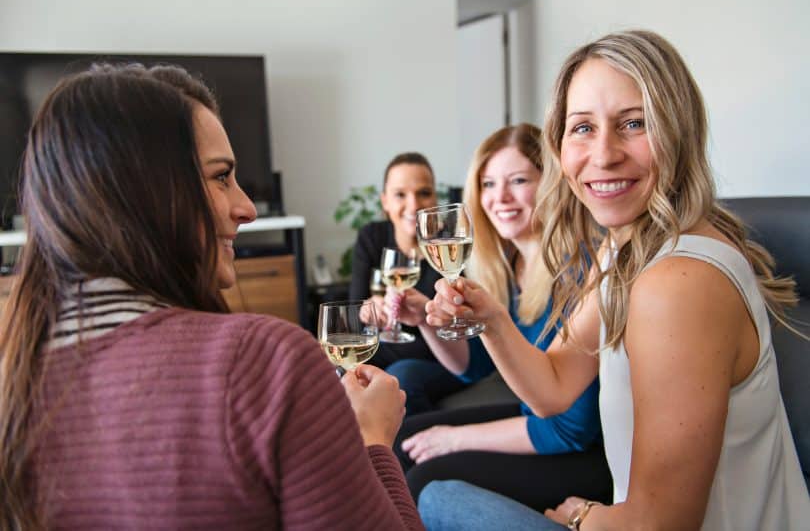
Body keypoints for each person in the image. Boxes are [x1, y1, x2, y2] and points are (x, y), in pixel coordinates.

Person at [0, 63, 423, 530]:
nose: (246, 207)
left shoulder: (15, 376)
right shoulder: (266, 362)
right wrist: (371, 442)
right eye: (221, 177)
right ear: (144, 190)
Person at [419, 30, 810, 530]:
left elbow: (659, 524)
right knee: (436, 495)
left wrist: (582, 515)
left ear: (678, 131)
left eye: (633, 123)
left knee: (436, 499)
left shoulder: (676, 282)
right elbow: (553, 389)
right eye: (582, 128)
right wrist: (493, 319)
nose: (603, 155)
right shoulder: (627, 246)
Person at [391, 124, 610, 512]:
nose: (500, 198)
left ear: (552, 185)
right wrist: (426, 320)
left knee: (424, 477)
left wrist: (457, 438)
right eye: (488, 184)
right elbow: (473, 366)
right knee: (398, 440)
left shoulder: (582, 272)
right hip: (545, 424)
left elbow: (570, 429)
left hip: (592, 451)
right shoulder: (511, 267)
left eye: (519, 180)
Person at [349, 152, 465, 413]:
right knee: (338, 368)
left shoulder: (451, 247)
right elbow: (356, 307)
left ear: (435, 199)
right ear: (385, 202)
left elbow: (454, 327)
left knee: (401, 376)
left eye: (423, 193)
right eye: (400, 194)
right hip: (389, 348)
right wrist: (370, 310)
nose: (413, 205)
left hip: (442, 356)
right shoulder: (372, 236)